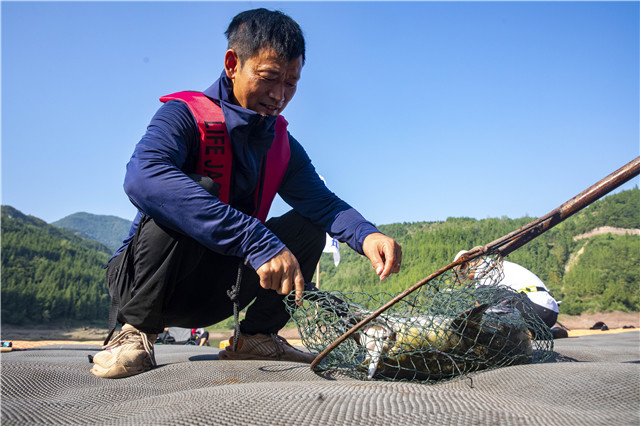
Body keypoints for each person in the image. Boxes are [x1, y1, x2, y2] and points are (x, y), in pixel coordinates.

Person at [90, 8, 402, 379]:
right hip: (145, 283)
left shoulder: (281, 144)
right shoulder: (183, 116)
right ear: (232, 63)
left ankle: (255, 335)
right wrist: (255, 238)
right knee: (190, 189)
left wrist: (367, 234)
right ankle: (134, 331)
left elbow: (323, 203)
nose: (279, 95)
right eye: (269, 77)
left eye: (291, 83)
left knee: (308, 225)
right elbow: (143, 177)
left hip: (217, 295)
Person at [453, 250, 560, 330]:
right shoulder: (494, 265)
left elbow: (479, 307)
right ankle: (549, 333)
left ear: (471, 262)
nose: (465, 276)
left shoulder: (486, 270)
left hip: (536, 307)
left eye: (463, 271)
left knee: (482, 294)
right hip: (550, 313)